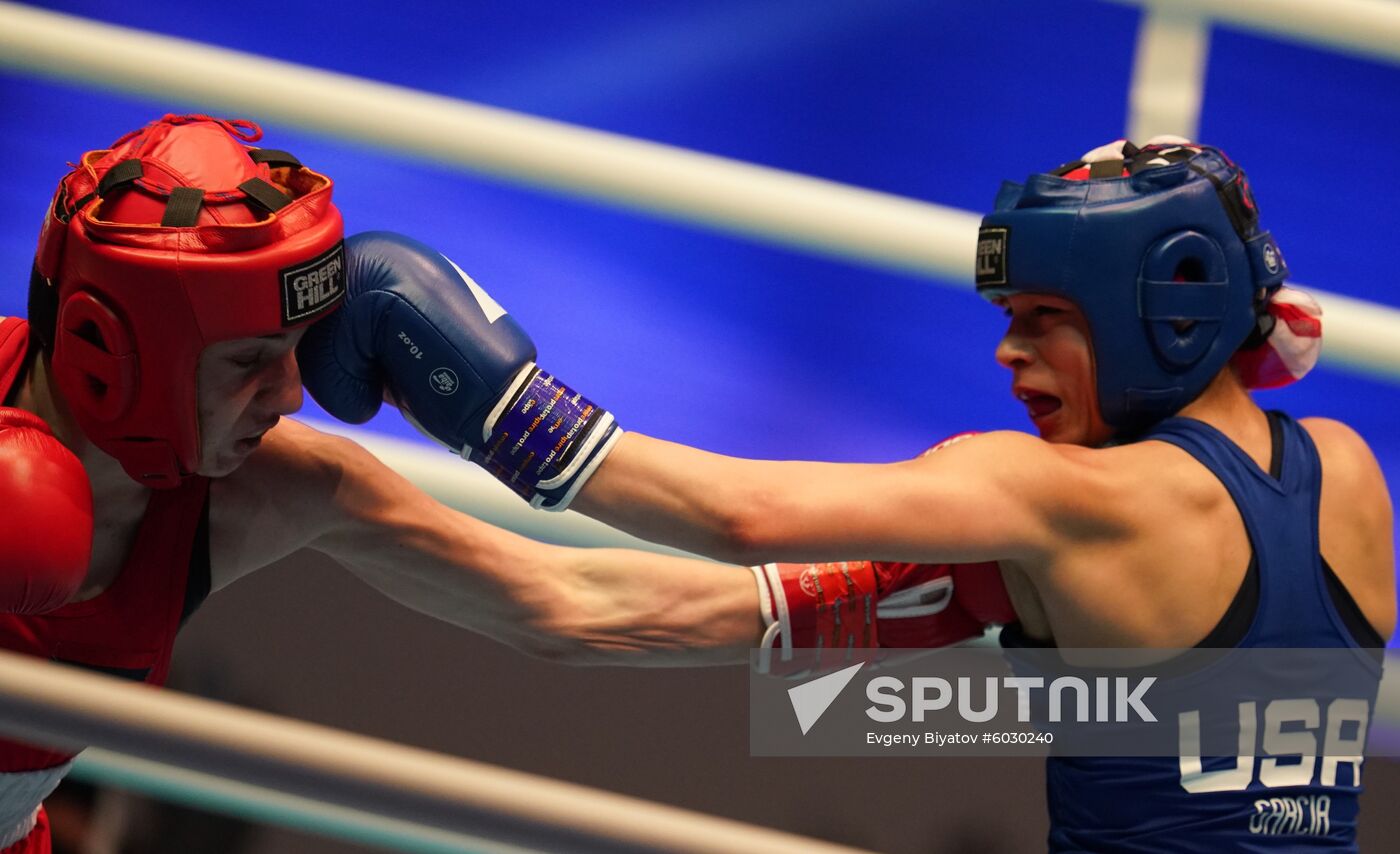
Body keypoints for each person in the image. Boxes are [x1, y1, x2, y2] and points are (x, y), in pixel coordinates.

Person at [296, 138, 1395, 850]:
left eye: (1042, 319)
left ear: (1162, 313)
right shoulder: (1347, 474)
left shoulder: (1053, 504)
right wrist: (339, 496)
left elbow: (737, 519)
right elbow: (611, 612)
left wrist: (499, 406)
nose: (1008, 358)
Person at [1, 113, 1007, 853]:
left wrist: (889, 601)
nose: (289, 393)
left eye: (298, 350)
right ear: (114, 349)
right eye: (248, 360)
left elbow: (565, 601)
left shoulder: (263, 487)